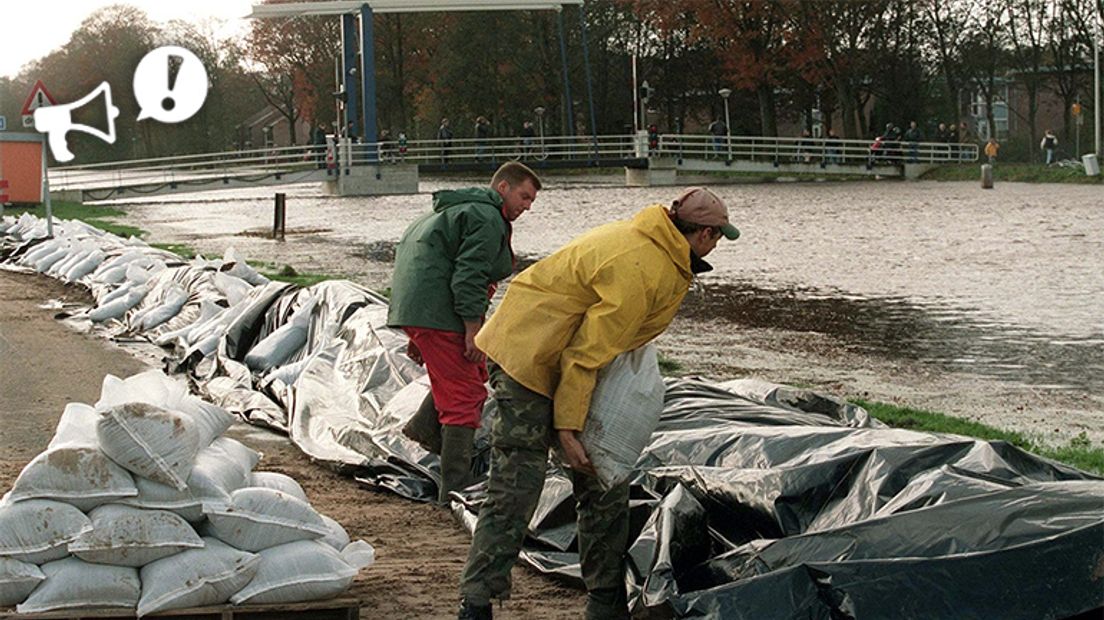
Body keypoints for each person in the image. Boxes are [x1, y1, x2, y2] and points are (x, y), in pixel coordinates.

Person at [455, 186, 740, 620]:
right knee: (518, 484)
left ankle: (605, 604)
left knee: (604, 482)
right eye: (717, 236)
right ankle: (477, 601)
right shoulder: (641, 266)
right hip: (526, 358)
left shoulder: (658, 249)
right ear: (701, 234)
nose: (717, 245)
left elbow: (597, 350)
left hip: (569, 358)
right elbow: (586, 353)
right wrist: (567, 430)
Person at [387, 162, 542, 505]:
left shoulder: (456, 210)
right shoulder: (487, 219)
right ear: (503, 187)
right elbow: (468, 277)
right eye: (524, 196)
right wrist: (473, 329)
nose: (527, 206)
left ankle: (425, 430)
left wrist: (417, 329)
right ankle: (454, 491)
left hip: (420, 309)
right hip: (440, 313)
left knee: (468, 373)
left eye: (531, 201)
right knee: (465, 394)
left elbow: (426, 265)